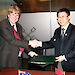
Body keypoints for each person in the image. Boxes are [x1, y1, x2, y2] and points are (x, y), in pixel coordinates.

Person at [0, 5, 38, 69]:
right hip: (7, 59)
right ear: (8, 15)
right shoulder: (3, 24)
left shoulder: (18, 26)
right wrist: (30, 42)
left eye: (17, 15)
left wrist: (29, 51)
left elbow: (22, 40)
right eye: (13, 15)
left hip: (18, 58)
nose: (15, 17)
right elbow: (12, 40)